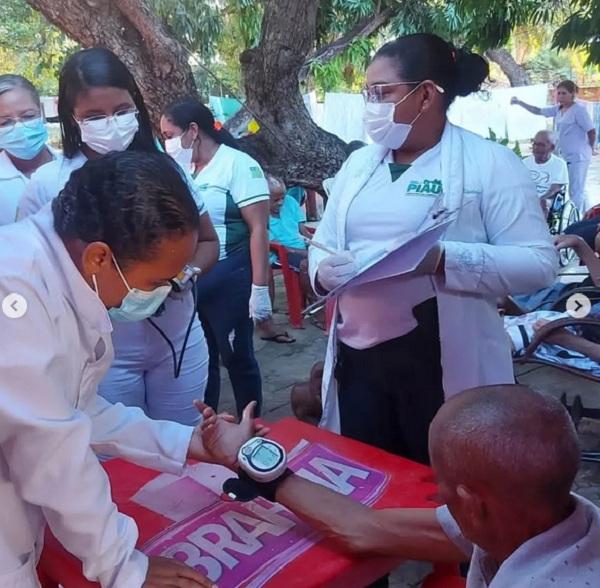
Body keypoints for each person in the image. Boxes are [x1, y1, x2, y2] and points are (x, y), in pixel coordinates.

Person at [0, 151, 265, 588]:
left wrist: (188, 441)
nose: (163, 293)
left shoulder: (57, 263)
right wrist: (123, 566)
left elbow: (74, 408)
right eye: (156, 282)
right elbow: (52, 451)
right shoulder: (17, 294)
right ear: (100, 259)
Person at [308, 33, 557, 466]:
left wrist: (443, 258)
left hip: (438, 364)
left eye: (382, 92)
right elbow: (326, 239)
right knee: (367, 474)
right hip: (359, 362)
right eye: (368, 94)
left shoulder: (489, 163)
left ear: (425, 95)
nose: (372, 105)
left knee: (441, 478)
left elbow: (539, 264)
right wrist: (322, 271)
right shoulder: (358, 165)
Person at [202, 384, 600, 588]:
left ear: (474, 505)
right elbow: (364, 529)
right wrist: (253, 458)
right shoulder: (541, 514)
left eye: (441, 481)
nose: (438, 493)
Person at [18, 48, 218, 426]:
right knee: (117, 445)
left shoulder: (168, 170)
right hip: (100, 351)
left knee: (183, 439)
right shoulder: (50, 184)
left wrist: (179, 276)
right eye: (95, 116)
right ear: (71, 117)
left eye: (122, 111)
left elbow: (208, 241)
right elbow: (39, 271)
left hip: (176, 337)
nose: (111, 124)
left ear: (138, 106)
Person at [161, 97, 271, 416]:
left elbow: (259, 229)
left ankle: (252, 426)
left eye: (169, 135)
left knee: (236, 356)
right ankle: (206, 425)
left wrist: (260, 288)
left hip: (230, 273)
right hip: (192, 275)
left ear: (193, 131)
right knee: (202, 356)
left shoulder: (237, 165)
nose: (165, 143)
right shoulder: (181, 170)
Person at [512, 80, 597, 213]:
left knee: (576, 189)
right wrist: (519, 103)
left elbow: (591, 131)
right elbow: (538, 111)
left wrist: (590, 148)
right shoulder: (558, 109)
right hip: (563, 154)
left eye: (564, 93)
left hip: (578, 155)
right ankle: (583, 212)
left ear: (572, 94)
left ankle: (576, 218)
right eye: (559, 93)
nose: (561, 96)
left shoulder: (579, 110)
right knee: (564, 186)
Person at [257, 174, 316, 341]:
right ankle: (315, 306)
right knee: (306, 263)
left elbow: (302, 231)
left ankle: (319, 303)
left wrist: (315, 242)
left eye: (282, 197)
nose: (281, 202)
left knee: (324, 259)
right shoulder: (259, 213)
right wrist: (305, 252)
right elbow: (274, 244)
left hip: (299, 247)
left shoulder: (290, 201)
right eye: (275, 200)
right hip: (280, 253)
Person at [0, 75, 55, 225]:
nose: (19, 127)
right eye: (5, 122)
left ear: (41, 113)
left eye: (28, 116)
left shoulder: (75, 165)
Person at [522, 130, 568, 214]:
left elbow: (555, 189)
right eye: (534, 143)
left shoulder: (559, 164)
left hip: (549, 198)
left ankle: (541, 226)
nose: (536, 147)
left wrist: (541, 198)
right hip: (527, 197)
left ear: (552, 147)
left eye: (541, 145)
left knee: (542, 204)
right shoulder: (525, 162)